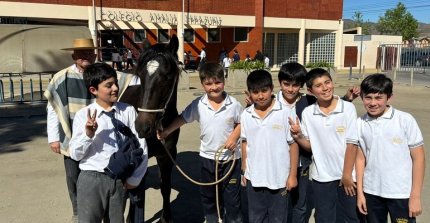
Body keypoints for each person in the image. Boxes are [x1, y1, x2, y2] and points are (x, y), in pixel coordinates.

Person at [44, 38, 135, 222]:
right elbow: (53, 108)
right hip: (75, 134)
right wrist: (53, 137)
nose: (85, 56)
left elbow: (133, 78)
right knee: (73, 176)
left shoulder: (104, 74)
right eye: (81, 53)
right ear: (74, 56)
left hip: (103, 137)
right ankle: (78, 210)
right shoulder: (62, 77)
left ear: (95, 55)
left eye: (89, 52)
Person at [158, 63, 243, 223]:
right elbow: (183, 118)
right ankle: (212, 219)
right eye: (209, 84)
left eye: (218, 82)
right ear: (202, 84)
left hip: (230, 160)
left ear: (224, 81)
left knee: (232, 199)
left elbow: (242, 122)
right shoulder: (198, 104)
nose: (214, 87)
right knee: (209, 197)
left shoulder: (234, 104)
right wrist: (167, 131)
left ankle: (233, 220)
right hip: (207, 159)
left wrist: (233, 137)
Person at [69, 63, 148, 222]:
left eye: (115, 83)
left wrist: (135, 178)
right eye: (108, 85)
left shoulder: (128, 111)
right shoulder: (83, 115)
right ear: (93, 90)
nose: (115, 88)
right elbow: (75, 155)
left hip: (119, 180)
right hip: (91, 179)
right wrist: (88, 135)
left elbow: (141, 146)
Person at [290, 68, 360, 223]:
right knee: (324, 218)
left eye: (327, 82)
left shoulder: (347, 108)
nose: (325, 88)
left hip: (347, 177)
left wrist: (347, 175)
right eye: (319, 85)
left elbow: (352, 144)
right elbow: (309, 146)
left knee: (349, 218)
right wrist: (298, 136)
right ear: (310, 90)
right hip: (322, 178)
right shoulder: (308, 113)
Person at [356, 74, 425, 223]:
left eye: (378, 97)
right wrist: (360, 193)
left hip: (400, 194)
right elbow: (360, 159)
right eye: (368, 97)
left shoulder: (405, 120)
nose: (373, 103)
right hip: (371, 192)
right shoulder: (360, 123)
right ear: (361, 97)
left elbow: (418, 158)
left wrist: (415, 196)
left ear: (389, 97)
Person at [241, 69, 299, 223]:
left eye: (264, 91)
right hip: (254, 178)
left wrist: (292, 176)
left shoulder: (285, 112)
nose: (260, 96)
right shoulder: (246, 114)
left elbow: (293, 145)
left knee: (278, 218)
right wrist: (244, 169)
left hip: (279, 178)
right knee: (256, 218)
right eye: (255, 92)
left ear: (272, 89)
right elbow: (245, 142)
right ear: (249, 93)